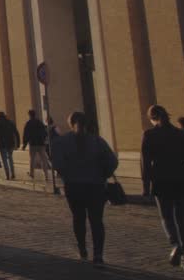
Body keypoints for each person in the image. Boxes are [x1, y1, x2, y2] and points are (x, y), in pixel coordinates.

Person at [51, 111, 117, 266]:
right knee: (96, 221)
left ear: (70, 124)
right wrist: (103, 174)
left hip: (74, 186)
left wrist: (67, 174)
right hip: (95, 186)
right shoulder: (97, 141)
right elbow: (112, 161)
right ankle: (98, 254)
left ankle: (82, 248)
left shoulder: (62, 142)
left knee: (78, 218)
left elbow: (57, 163)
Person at [141, 104, 184, 270]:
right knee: (183, 222)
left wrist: (146, 186)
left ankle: (175, 244)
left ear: (152, 118)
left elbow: (145, 163)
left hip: (162, 179)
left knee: (166, 217)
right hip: (182, 179)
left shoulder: (150, 135)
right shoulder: (180, 134)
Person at [22, 109, 51, 183]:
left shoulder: (28, 123)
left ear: (29, 115)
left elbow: (26, 134)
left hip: (33, 144)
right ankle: (46, 175)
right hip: (41, 144)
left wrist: (24, 144)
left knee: (32, 159)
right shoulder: (39, 122)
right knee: (43, 159)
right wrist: (43, 139)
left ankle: (32, 173)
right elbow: (44, 132)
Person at [0, 112, 21, 181]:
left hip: (2, 144)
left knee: (4, 160)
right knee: (10, 158)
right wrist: (18, 143)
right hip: (10, 144)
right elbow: (16, 133)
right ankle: (13, 173)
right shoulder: (10, 122)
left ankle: (7, 175)